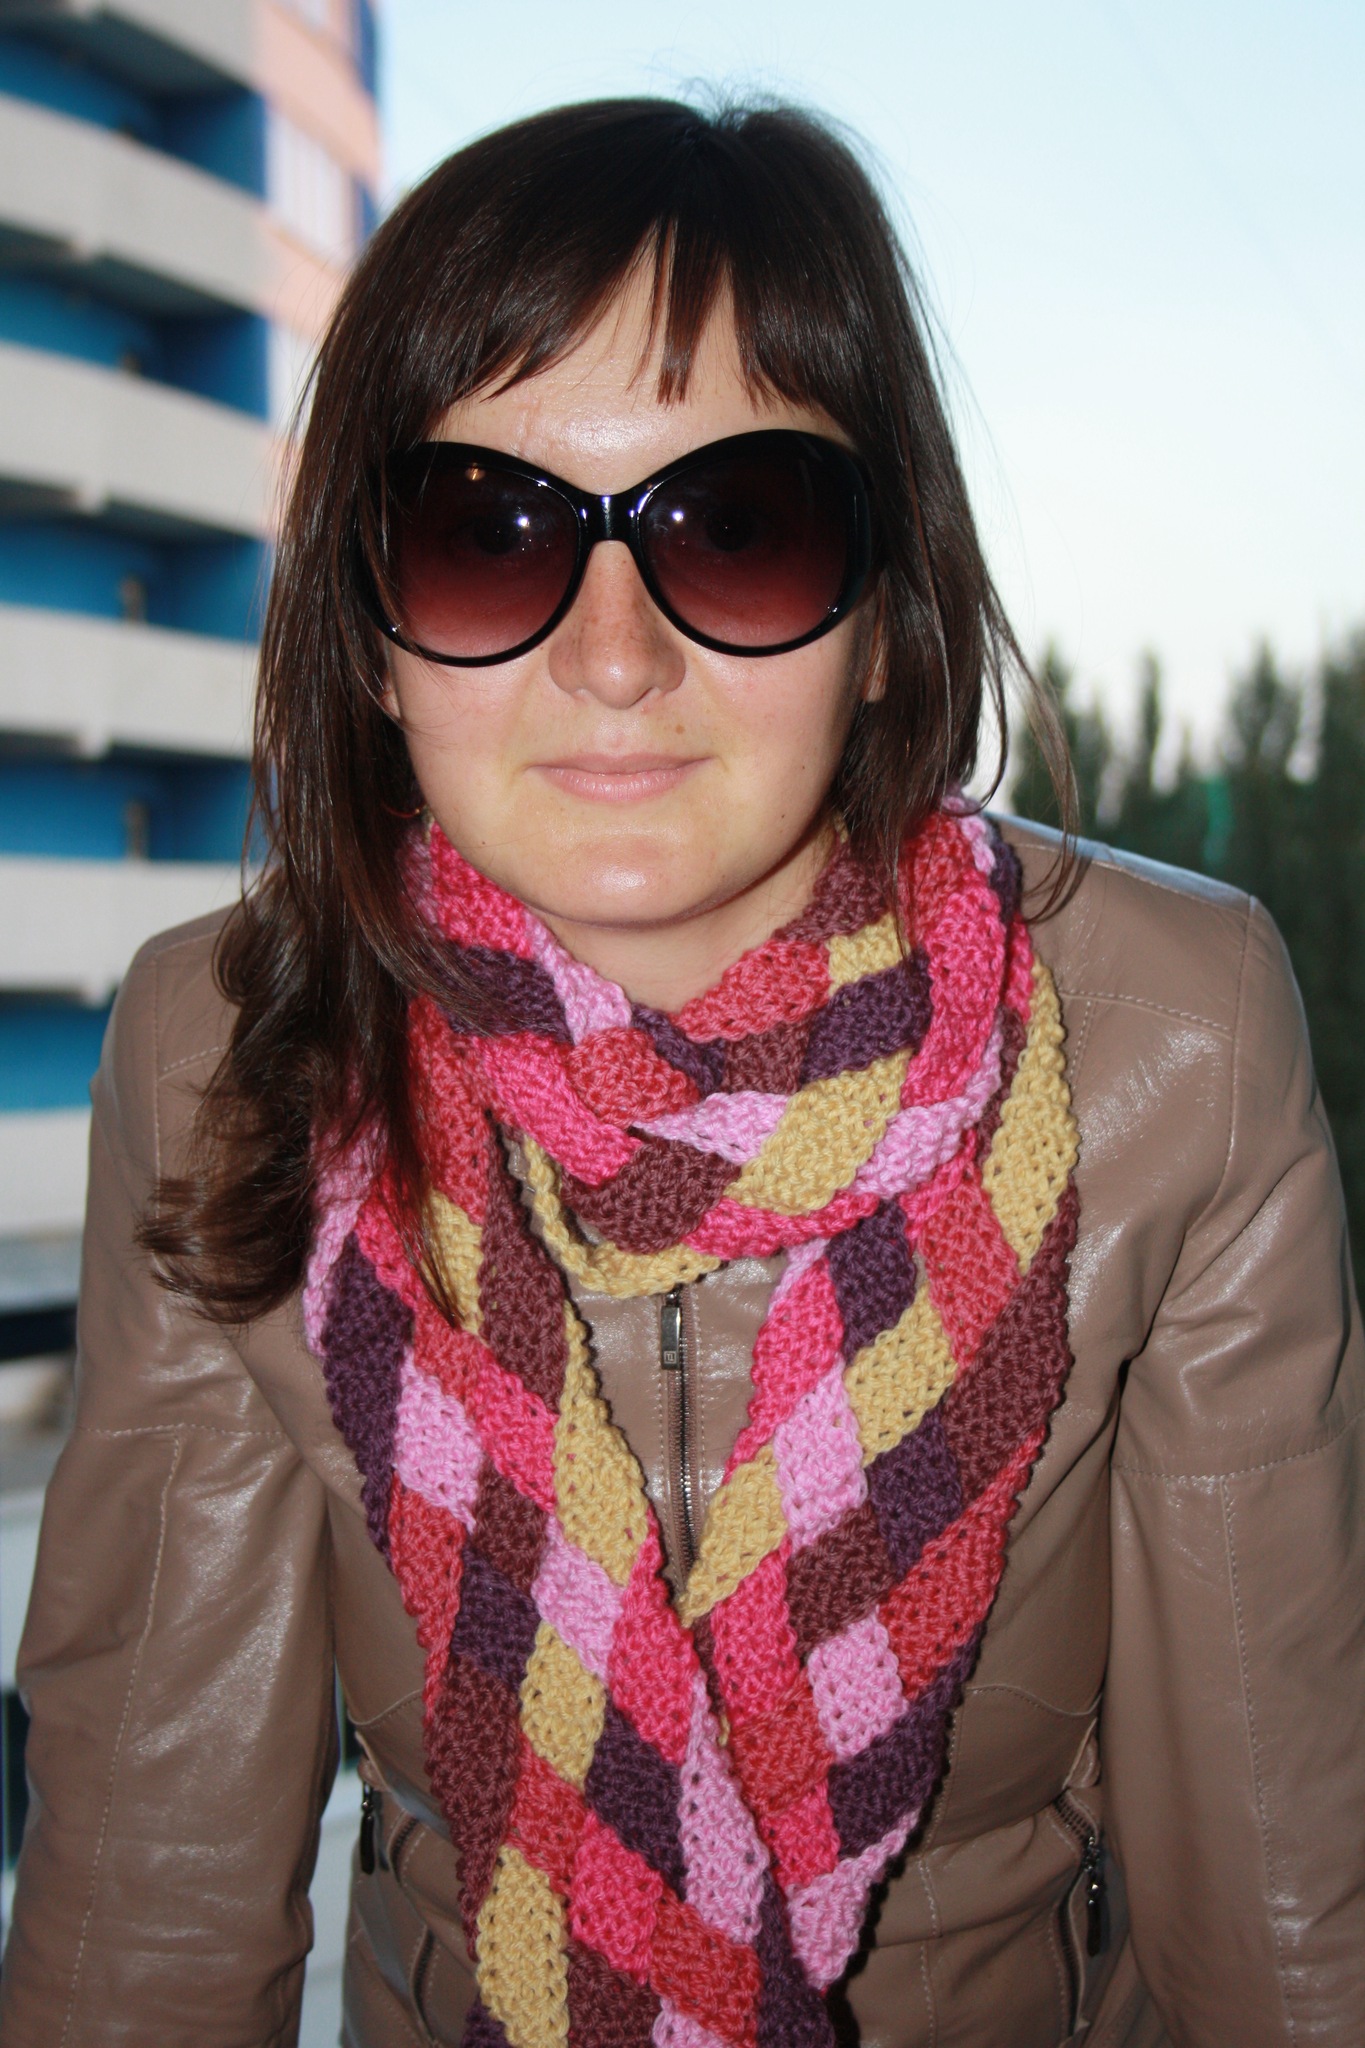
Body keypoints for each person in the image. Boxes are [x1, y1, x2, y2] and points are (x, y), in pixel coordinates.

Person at [1, 99, 1360, 2048]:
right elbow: (150, 1874)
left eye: (738, 526)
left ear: (883, 613)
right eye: (486, 534)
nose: (614, 656)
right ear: (371, 634)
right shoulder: (227, 1046)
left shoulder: (1177, 1041)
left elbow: (1285, 1894)